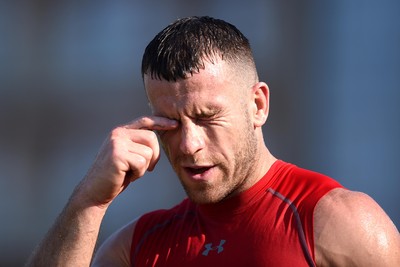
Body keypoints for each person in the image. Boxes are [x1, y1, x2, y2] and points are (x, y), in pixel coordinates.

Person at [26, 16, 399, 267]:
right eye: (170, 123)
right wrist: (89, 202)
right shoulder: (139, 246)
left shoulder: (337, 222)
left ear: (257, 105)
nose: (189, 145)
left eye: (207, 119)